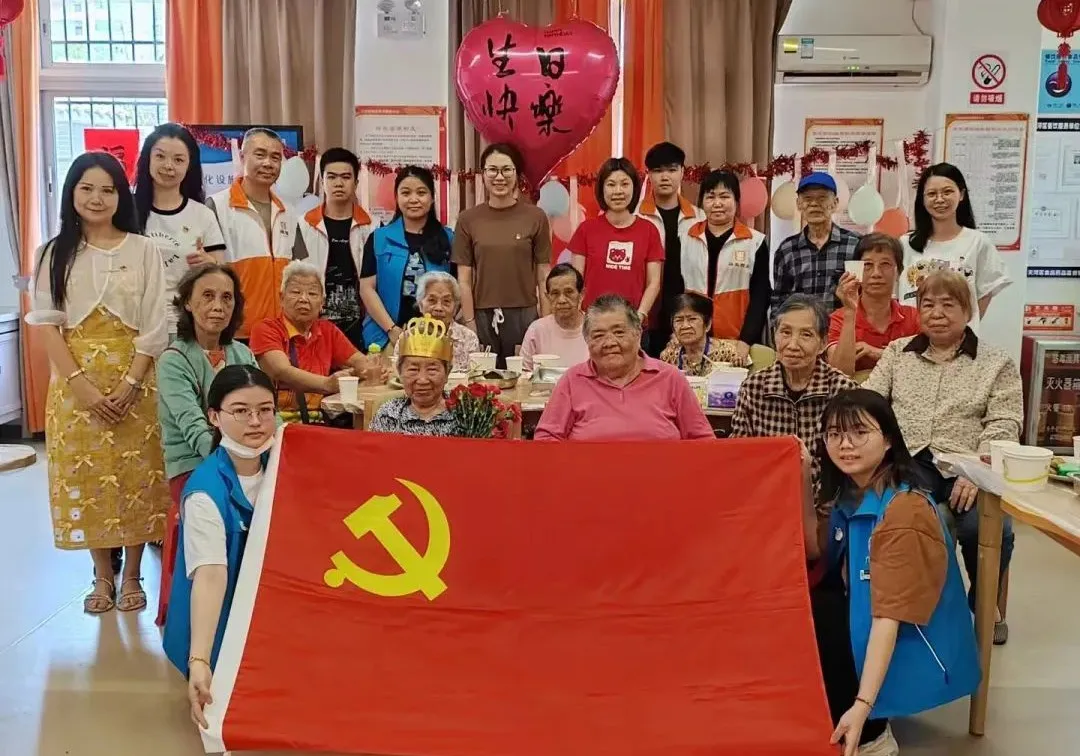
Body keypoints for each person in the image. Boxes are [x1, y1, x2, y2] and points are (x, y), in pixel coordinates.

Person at [26, 151, 171, 614]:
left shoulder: (143, 249)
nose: (97, 198)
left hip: (137, 384)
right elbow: (47, 325)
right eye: (86, 188)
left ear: (120, 196)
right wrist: (81, 386)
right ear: (71, 193)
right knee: (88, 480)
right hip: (75, 387)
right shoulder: (52, 253)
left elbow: (156, 323)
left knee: (138, 477)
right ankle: (102, 575)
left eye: (108, 189)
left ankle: (133, 574)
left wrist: (131, 382)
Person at [814, 389, 979, 756]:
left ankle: (874, 736)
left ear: (888, 439)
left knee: (824, 620)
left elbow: (889, 617)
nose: (845, 444)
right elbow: (818, 556)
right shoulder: (850, 494)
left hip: (917, 644)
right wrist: (798, 474)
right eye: (834, 434)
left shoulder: (904, 512)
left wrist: (862, 706)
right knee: (810, 603)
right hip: (873, 617)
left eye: (860, 432)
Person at [863, 270, 1023, 645]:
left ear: (968, 311)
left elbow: (1005, 421)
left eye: (948, 304)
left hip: (967, 465)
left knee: (989, 528)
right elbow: (869, 403)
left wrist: (978, 471)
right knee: (916, 520)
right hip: (908, 462)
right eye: (928, 304)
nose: (936, 313)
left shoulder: (995, 362)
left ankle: (984, 604)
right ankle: (917, 612)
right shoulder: (898, 354)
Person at [162, 365, 278, 729]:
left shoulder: (281, 465)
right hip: (217, 618)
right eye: (240, 411)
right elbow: (211, 576)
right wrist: (199, 659)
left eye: (265, 410)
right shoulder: (205, 494)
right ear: (214, 417)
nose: (255, 422)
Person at [155, 263, 257, 626]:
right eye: (208, 296)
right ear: (187, 302)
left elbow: (266, 414)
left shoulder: (243, 355)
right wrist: (242, 466)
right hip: (193, 467)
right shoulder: (173, 360)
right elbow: (196, 431)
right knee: (225, 507)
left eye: (227, 298)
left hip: (244, 460)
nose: (218, 306)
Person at [534, 295, 714, 441]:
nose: (609, 343)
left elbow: (703, 440)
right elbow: (546, 439)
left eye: (619, 332)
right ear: (587, 340)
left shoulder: (670, 378)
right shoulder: (572, 380)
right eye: (598, 335)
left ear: (638, 334)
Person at [730, 294, 858, 488]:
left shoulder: (842, 391)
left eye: (806, 335)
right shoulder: (753, 387)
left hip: (827, 500)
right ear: (774, 335)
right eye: (785, 332)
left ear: (823, 343)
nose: (792, 345)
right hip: (766, 494)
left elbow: (852, 465)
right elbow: (739, 457)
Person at [453, 143, 552, 367]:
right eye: (492, 170)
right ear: (483, 174)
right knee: (483, 377)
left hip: (524, 314)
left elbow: (543, 275)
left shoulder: (535, 217)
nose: (500, 177)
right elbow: (464, 280)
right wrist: (470, 323)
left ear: (517, 174)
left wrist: (545, 324)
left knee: (523, 375)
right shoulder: (468, 219)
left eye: (507, 169)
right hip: (481, 315)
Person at [207, 127, 306, 340]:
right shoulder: (217, 206)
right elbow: (207, 272)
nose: (268, 163)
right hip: (234, 332)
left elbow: (299, 270)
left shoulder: (288, 211)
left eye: (275, 157)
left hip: (281, 331)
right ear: (242, 157)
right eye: (260, 155)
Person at [135, 123, 227, 339]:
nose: (168, 166)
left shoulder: (203, 215)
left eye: (178, 160)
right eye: (160, 156)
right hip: (135, 323)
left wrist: (210, 264)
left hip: (185, 326)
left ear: (189, 166)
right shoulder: (126, 209)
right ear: (147, 159)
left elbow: (222, 272)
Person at [249, 260, 370, 424]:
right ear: (281, 298)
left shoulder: (327, 330)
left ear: (322, 303)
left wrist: (367, 369)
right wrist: (327, 384)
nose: (304, 299)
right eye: (296, 292)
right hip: (277, 422)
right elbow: (281, 371)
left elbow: (359, 361)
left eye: (312, 294)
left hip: (319, 422)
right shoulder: (266, 329)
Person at [899, 162, 1010, 333]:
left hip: (958, 342)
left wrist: (963, 330)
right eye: (931, 194)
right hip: (911, 340)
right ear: (922, 199)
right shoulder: (905, 244)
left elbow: (984, 294)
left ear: (961, 194)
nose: (940, 199)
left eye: (947, 192)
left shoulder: (978, 242)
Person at [680, 169, 771, 361]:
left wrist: (746, 340)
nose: (717, 203)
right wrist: (676, 330)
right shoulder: (685, 238)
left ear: (736, 201)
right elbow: (675, 288)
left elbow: (760, 296)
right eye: (710, 196)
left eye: (724, 196)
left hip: (736, 341)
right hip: (691, 339)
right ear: (702, 202)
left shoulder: (754, 242)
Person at [361, 166, 454, 349]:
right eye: (406, 193)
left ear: (432, 198)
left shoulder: (448, 238)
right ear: (396, 198)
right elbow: (367, 288)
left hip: (436, 336)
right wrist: (391, 329)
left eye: (421, 193)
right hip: (385, 335)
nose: (413, 199)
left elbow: (456, 290)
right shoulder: (379, 238)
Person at [570, 157, 665, 331]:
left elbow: (654, 282)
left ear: (634, 188)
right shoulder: (586, 229)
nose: (618, 191)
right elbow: (576, 280)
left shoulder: (649, 230)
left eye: (625, 184)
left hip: (632, 325)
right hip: (594, 325)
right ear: (602, 189)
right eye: (611, 184)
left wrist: (639, 316)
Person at [299, 147, 376, 349]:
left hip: (361, 326)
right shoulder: (304, 225)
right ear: (322, 181)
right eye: (331, 177)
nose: (338, 183)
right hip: (314, 324)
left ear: (356, 182)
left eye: (346, 177)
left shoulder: (373, 227)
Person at [636, 141, 705, 354]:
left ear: (682, 172)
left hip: (687, 313)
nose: (665, 177)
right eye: (658, 171)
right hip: (647, 313)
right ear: (648, 174)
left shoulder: (699, 218)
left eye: (672, 170)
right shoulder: (636, 216)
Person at [827, 233, 920, 377]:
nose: (876, 273)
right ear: (856, 270)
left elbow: (925, 366)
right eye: (868, 265)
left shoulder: (913, 317)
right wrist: (850, 313)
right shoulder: (838, 318)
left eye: (885, 264)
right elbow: (839, 373)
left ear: (899, 272)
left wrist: (878, 353)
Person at [771, 172, 861, 319]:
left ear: (835, 203)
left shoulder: (855, 244)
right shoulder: (787, 250)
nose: (814, 204)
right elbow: (779, 299)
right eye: (807, 199)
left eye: (822, 198)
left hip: (843, 329)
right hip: (801, 329)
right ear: (799, 204)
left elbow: (864, 293)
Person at [369, 315, 461, 436]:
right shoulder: (388, 415)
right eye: (413, 369)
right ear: (400, 371)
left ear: (447, 372)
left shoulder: (464, 415)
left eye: (432, 369)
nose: (422, 380)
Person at [391, 271, 479, 373]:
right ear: (420, 305)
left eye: (446, 301)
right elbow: (400, 375)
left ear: (455, 308)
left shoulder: (468, 338)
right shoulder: (407, 338)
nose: (439, 308)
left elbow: (476, 377)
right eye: (432, 300)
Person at [658, 293, 751, 376]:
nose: (685, 326)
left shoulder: (727, 353)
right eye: (679, 320)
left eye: (692, 319)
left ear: (708, 324)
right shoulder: (668, 356)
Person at [519, 263, 588, 372]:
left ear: (582, 294)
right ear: (548, 297)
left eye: (569, 292)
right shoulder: (536, 330)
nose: (562, 300)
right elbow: (524, 373)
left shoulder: (595, 329)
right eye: (555, 293)